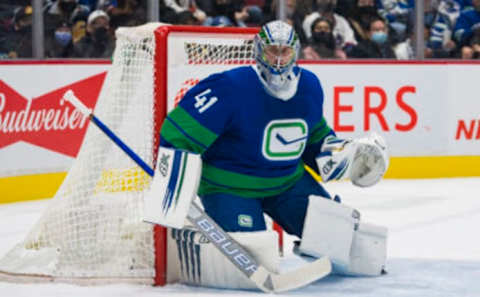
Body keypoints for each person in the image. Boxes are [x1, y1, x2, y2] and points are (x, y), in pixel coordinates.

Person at [159, 20, 389, 284]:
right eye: (272, 51)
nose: (278, 59)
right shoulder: (229, 87)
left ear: (296, 51)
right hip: (230, 188)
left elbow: (314, 137)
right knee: (256, 259)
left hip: (288, 184)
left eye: (285, 51)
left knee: (349, 246)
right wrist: (173, 188)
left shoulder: (310, 86)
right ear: (258, 50)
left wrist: (342, 155)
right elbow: (177, 135)